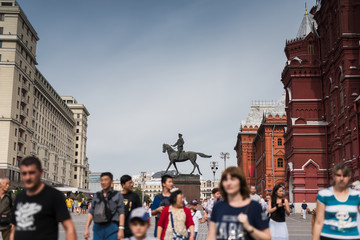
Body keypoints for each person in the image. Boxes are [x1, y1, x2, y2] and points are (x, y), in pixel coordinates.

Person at [9, 156, 76, 240]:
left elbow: (69, 227)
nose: (28, 177)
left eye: (32, 173)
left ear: (41, 172)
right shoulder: (20, 196)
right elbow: (14, 228)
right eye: (24, 173)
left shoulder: (54, 196)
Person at [207, 166, 270, 240]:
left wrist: (249, 228)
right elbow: (211, 236)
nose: (228, 183)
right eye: (225, 180)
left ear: (241, 182)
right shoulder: (218, 207)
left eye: (233, 179)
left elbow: (267, 237)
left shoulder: (254, 207)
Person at [313, 163, 360, 240]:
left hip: (352, 237)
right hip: (329, 236)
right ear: (333, 176)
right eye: (338, 175)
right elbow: (318, 222)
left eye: (345, 175)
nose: (341, 178)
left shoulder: (357, 196)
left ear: (349, 177)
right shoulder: (324, 195)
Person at [84, 172, 125, 240]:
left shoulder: (117, 195)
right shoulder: (97, 195)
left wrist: (121, 229)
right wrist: (86, 228)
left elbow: (121, 213)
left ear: (111, 181)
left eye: (106, 180)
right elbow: (91, 212)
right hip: (98, 227)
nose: (103, 182)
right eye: (102, 180)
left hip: (112, 227)